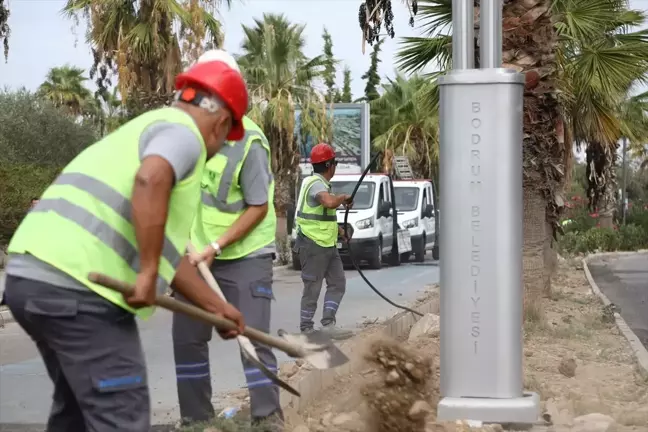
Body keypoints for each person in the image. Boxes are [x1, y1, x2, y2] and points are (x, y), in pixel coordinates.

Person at [2, 58, 249, 432]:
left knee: (77, 415)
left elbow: (168, 254)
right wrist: (147, 271)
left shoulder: (143, 130)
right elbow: (150, 180)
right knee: (122, 415)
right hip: (80, 287)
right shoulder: (184, 135)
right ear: (220, 124)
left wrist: (217, 307)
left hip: (30, 275)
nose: (218, 150)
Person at [172, 49, 283, 431]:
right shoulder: (183, 132)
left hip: (245, 254)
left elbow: (257, 206)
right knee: (187, 338)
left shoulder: (249, 141)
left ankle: (267, 418)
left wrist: (215, 247)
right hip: (193, 253)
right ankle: (196, 420)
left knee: (251, 338)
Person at [294, 143, 354, 340]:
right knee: (313, 286)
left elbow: (322, 216)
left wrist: (340, 230)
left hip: (327, 244)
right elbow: (328, 202)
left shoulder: (319, 184)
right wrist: (343, 197)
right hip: (312, 244)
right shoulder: (316, 184)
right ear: (330, 165)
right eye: (334, 162)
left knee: (337, 283)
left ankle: (328, 323)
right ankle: (306, 328)